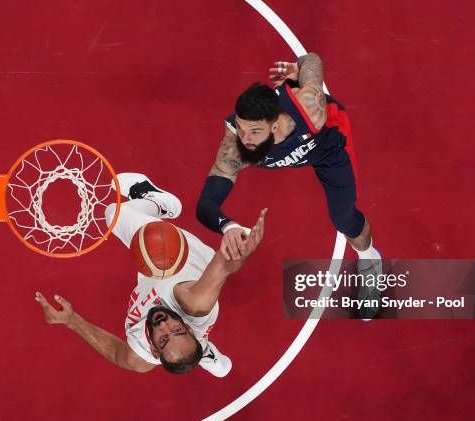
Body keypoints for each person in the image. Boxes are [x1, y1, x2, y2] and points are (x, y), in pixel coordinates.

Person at [195, 53, 382, 319]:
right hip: (300, 149)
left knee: (344, 218)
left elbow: (313, 60)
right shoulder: (235, 145)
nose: (245, 139)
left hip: (329, 145)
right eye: (241, 127)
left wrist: (301, 69)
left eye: (255, 132)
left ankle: (370, 259)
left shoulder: (309, 112)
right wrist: (228, 226)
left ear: (276, 124)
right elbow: (206, 204)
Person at [36, 173, 267, 376]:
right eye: (178, 330)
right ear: (188, 328)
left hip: (150, 276)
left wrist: (71, 320)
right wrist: (237, 242)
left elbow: (118, 355)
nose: (165, 325)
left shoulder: (141, 355)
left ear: (155, 351)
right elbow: (223, 267)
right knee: (114, 212)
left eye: (164, 338)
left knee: (197, 354)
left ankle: (203, 353)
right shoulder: (193, 305)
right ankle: (161, 203)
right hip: (179, 255)